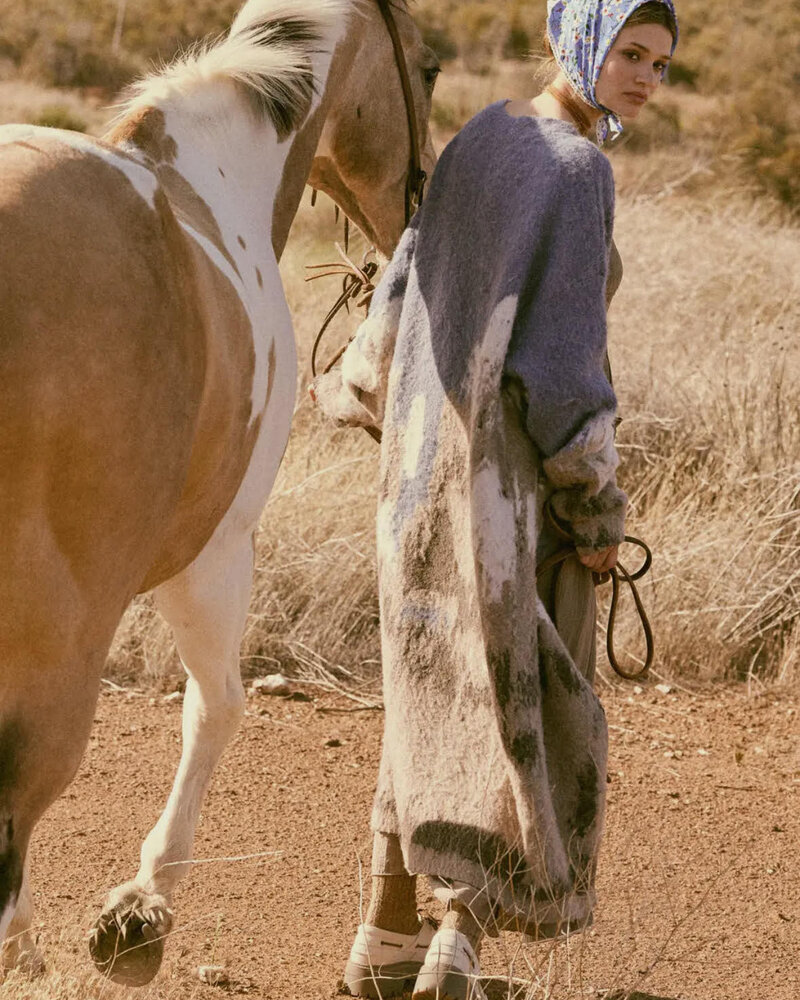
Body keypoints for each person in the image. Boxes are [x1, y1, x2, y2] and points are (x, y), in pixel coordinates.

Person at [312, 2, 679, 997]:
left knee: (426, 696)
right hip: (509, 502)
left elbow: (399, 286)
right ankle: (455, 952)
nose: (644, 77)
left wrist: (364, 396)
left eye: (657, 61)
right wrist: (596, 512)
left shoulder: (483, 133)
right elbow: (561, 376)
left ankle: (382, 943)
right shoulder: (575, 169)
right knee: (530, 714)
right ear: (578, 42)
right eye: (627, 53)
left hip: (416, 480)